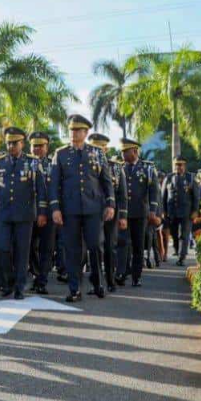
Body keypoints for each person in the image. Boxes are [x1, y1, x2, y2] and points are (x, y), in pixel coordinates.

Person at [50, 114, 115, 302]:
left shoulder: (97, 152)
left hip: (93, 208)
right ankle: (74, 288)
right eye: (71, 130)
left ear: (86, 133)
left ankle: (97, 283)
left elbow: (106, 181)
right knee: (72, 250)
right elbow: (54, 184)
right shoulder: (60, 154)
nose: (73, 133)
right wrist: (55, 208)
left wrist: (110, 203)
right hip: (70, 209)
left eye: (77, 130)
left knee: (95, 246)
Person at [0, 127, 47, 300]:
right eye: (9, 143)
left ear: (22, 144)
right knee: (2, 248)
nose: (11, 146)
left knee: (22, 251)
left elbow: (41, 190)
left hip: (25, 215)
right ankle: (9, 280)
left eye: (14, 143)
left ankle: (19, 287)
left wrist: (42, 212)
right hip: (4, 214)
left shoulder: (33, 163)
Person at [115, 138, 159, 287]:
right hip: (124, 213)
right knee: (122, 243)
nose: (122, 155)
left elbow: (154, 191)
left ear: (134, 151)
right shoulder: (120, 168)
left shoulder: (147, 168)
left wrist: (153, 211)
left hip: (140, 213)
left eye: (125, 152)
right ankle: (121, 273)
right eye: (121, 152)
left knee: (138, 245)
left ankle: (136, 276)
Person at [88, 134, 127, 293]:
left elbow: (122, 194)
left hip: (111, 212)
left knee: (110, 246)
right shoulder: (86, 165)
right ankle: (95, 282)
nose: (97, 151)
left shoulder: (116, 167)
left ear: (106, 149)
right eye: (94, 147)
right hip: (92, 211)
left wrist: (123, 216)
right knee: (94, 247)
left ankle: (110, 280)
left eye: (100, 148)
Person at [27, 131, 55, 294]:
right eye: (34, 146)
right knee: (29, 247)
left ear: (46, 147)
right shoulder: (25, 164)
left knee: (47, 248)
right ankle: (36, 273)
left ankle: (42, 280)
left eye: (40, 146)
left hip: (49, 213)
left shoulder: (54, 165)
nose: (36, 149)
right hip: (29, 212)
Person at [162, 157, 199, 266]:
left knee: (184, 234)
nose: (179, 167)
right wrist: (163, 210)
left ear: (185, 166)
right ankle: (177, 251)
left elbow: (196, 197)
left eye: (181, 165)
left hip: (186, 212)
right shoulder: (168, 178)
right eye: (177, 165)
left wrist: (195, 211)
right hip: (172, 211)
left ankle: (182, 257)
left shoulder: (191, 178)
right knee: (174, 234)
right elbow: (163, 196)